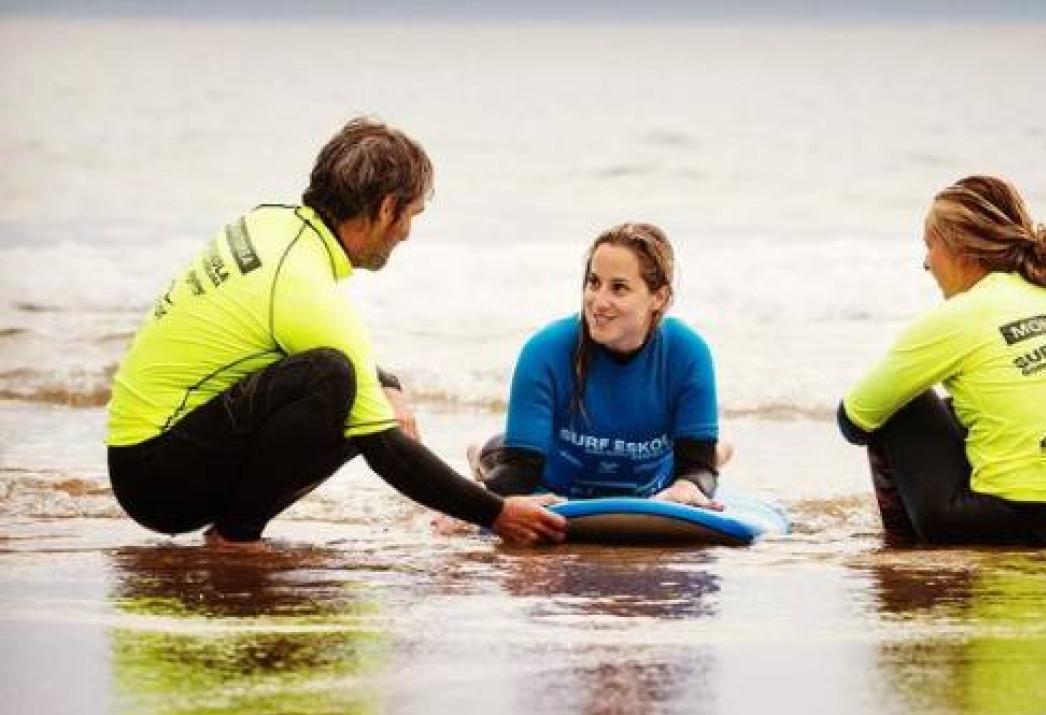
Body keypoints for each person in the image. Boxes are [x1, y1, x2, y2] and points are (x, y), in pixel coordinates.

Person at [106, 117, 566, 548]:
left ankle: (232, 527)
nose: (406, 234)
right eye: (412, 215)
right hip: (159, 480)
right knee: (333, 379)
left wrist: (388, 385)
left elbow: (290, 336)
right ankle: (236, 536)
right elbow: (387, 450)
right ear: (387, 209)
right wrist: (497, 513)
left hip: (144, 456)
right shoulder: (302, 285)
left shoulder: (269, 223)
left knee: (350, 383)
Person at [837, 175, 1046, 547]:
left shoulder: (966, 313)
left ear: (961, 249)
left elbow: (854, 419)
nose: (926, 263)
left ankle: (901, 547)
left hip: (1004, 522)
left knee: (901, 403)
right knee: (980, 401)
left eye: (930, 246)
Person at [469, 222, 729, 508]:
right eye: (594, 283)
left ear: (659, 297)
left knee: (711, 454)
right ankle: (479, 452)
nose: (598, 301)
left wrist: (688, 484)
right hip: (550, 477)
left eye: (619, 288)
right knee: (497, 454)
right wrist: (475, 502)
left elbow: (697, 467)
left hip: (650, 482)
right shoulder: (545, 350)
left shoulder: (687, 354)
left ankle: (724, 450)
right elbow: (519, 471)